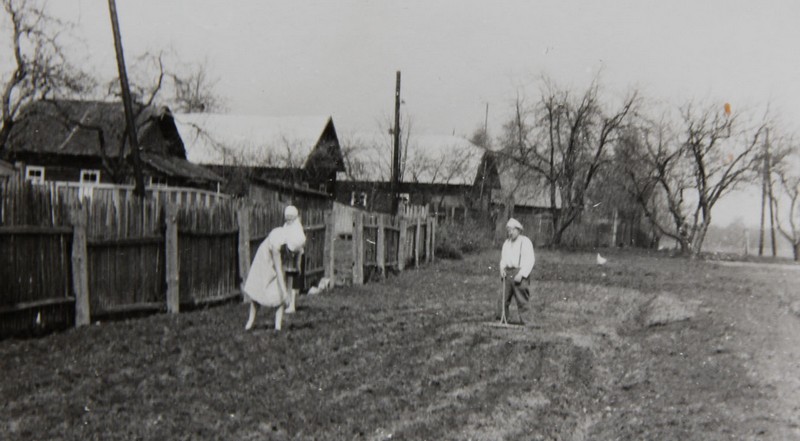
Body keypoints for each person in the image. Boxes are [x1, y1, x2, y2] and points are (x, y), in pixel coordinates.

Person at [243, 214, 306, 331]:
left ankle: (278, 326)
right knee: (258, 292)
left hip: (276, 262)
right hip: (264, 260)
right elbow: (278, 269)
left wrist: (298, 267)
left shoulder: (295, 238)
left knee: (279, 296)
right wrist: (286, 293)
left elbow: (298, 254)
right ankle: (250, 323)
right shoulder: (277, 242)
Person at [498, 218, 535, 325]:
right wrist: (502, 269)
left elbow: (530, 260)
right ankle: (501, 319)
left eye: (512, 230)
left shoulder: (525, 242)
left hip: (520, 273)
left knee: (522, 298)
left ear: (518, 230)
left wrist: (521, 274)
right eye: (508, 231)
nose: (510, 233)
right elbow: (503, 259)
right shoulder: (506, 243)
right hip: (507, 273)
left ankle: (526, 321)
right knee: (502, 298)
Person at [281, 205, 306, 314]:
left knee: (294, 283)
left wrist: (291, 246)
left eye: (290, 216)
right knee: (287, 280)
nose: (288, 219)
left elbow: (301, 241)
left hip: (296, 257)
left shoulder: (297, 226)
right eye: (287, 216)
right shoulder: (286, 226)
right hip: (287, 256)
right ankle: (287, 302)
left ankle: (292, 305)